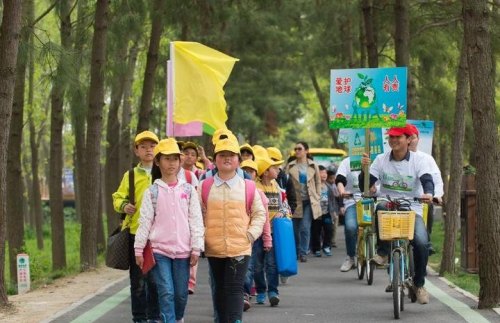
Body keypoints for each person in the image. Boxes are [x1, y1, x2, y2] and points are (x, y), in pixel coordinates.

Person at [359, 124, 434, 305]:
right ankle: (383, 252)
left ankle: (419, 284)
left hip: (412, 208)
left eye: (398, 137)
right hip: (388, 205)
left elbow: (427, 180)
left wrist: (429, 194)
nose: (393, 140)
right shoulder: (380, 159)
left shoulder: (419, 160)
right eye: (391, 137)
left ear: (408, 140)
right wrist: (364, 171)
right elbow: (366, 187)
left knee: (422, 243)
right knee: (380, 206)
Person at [134, 138, 204, 323]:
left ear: (180, 161)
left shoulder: (189, 190)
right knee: (166, 291)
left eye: (175, 158)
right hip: (159, 252)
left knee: (181, 294)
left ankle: (178, 318)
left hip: (183, 252)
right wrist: (138, 249)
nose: (171, 163)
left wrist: (197, 247)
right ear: (158, 161)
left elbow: (196, 220)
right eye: (167, 159)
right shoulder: (152, 192)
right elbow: (145, 222)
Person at [199, 138, 266, 323]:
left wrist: (250, 235)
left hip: (240, 248)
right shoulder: (204, 186)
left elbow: (260, 214)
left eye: (231, 155)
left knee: (234, 288)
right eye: (222, 155)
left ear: (238, 160)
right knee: (219, 289)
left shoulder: (248, 186)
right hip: (213, 247)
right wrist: (202, 238)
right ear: (215, 159)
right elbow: (196, 215)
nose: (227, 159)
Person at [112, 130, 160, 323]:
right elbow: (117, 197)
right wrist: (125, 205)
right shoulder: (130, 175)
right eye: (143, 147)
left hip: (159, 236)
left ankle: (155, 317)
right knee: (138, 281)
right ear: (136, 151)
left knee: (157, 281)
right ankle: (139, 318)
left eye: (152, 146)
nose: (148, 150)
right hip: (135, 234)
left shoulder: (164, 172)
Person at [253, 155, 289, 306]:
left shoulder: (277, 186)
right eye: (274, 168)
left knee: (272, 264)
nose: (278, 169)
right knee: (257, 264)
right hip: (258, 233)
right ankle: (261, 290)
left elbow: (285, 204)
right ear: (265, 172)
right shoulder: (255, 188)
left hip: (275, 232)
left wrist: (284, 212)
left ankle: (273, 291)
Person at [240, 159, 272, 311]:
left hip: (255, 238)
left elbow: (264, 219)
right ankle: (241, 294)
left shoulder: (259, 193)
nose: (247, 174)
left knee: (254, 267)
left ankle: (254, 291)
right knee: (243, 268)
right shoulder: (235, 191)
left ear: (256, 174)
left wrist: (267, 239)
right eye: (244, 170)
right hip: (238, 237)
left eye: (251, 171)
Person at [407, 124, 444, 254]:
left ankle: (426, 241)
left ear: (418, 138)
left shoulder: (426, 158)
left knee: (428, 207)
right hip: (399, 199)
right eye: (407, 137)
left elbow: (436, 179)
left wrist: (436, 195)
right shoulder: (390, 158)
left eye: (413, 137)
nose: (410, 140)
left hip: (421, 200)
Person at [286, 141, 322, 263]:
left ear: (306, 151)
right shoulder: (290, 166)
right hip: (295, 202)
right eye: (295, 149)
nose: (297, 151)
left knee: (305, 228)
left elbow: (318, 181)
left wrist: (317, 195)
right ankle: (296, 251)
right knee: (295, 230)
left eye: (299, 149)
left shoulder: (313, 165)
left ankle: (303, 252)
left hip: (309, 201)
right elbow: (286, 183)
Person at [335, 157, 361, 272]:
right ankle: (351, 257)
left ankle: (383, 255)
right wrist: (342, 191)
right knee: (350, 227)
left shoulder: (377, 159)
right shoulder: (347, 162)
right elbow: (340, 178)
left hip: (374, 200)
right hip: (352, 201)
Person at [311, 165, 338, 257]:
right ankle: (316, 249)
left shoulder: (329, 186)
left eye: (325, 173)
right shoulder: (313, 186)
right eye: (321, 173)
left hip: (327, 212)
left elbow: (332, 200)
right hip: (317, 213)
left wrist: (334, 212)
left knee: (329, 229)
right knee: (316, 231)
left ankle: (326, 246)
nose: (324, 175)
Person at [326, 169, 341, 248]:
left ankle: (333, 241)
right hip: (330, 210)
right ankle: (329, 241)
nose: (333, 180)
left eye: (334, 178)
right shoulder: (326, 186)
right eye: (331, 178)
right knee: (330, 227)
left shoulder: (335, 186)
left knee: (335, 226)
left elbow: (339, 197)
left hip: (335, 209)